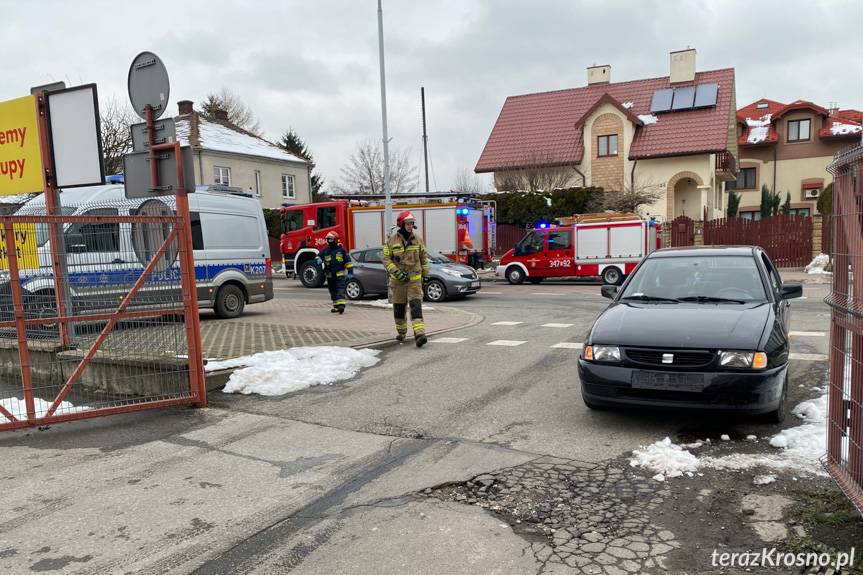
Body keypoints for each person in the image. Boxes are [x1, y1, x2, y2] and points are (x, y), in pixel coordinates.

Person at [382, 210, 430, 347]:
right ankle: (401, 332)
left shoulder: (418, 239)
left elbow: (423, 259)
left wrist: (426, 276)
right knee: (399, 308)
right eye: (408, 223)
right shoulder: (392, 240)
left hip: (414, 281)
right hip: (398, 282)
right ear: (401, 224)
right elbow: (385, 259)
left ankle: (420, 334)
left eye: (412, 223)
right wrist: (396, 272)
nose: (410, 226)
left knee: (416, 307)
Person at [316, 231, 352, 314]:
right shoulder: (325, 250)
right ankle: (336, 307)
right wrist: (318, 259)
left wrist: (350, 272)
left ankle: (341, 306)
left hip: (339, 275)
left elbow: (348, 262)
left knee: (340, 289)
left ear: (336, 240)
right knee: (332, 291)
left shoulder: (341, 250)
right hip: (329, 276)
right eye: (328, 239)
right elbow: (318, 256)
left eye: (331, 239)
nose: (329, 241)